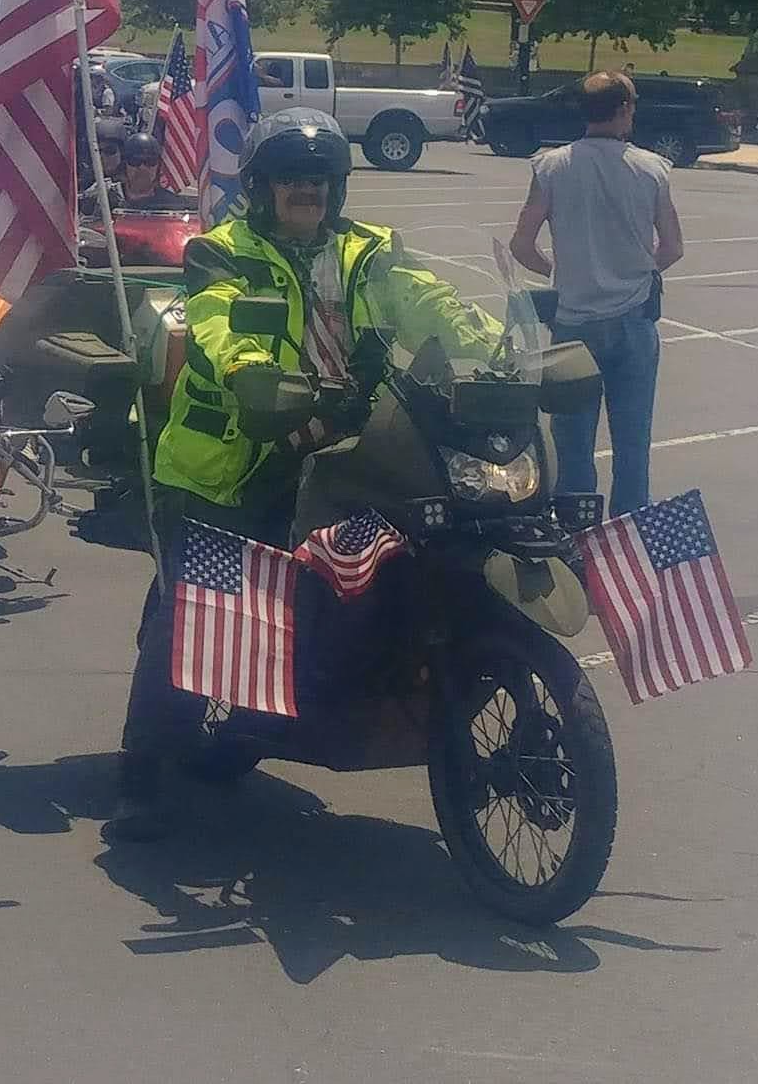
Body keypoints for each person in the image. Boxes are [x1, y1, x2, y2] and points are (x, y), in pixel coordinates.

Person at [106, 107, 500, 841]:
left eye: (319, 177)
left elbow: (428, 302)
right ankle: (142, 771)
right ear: (261, 186)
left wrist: (497, 345)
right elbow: (217, 319)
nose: (306, 188)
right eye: (290, 176)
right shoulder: (222, 251)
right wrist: (249, 369)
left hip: (343, 443)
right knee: (194, 611)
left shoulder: (368, 251)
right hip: (233, 457)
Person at [509, 70, 683, 517]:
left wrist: (561, 272)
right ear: (623, 109)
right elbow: (672, 247)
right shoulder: (652, 169)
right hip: (633, 322)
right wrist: (639, 271)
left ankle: (576, 532)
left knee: (573, 447)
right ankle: (627, 530)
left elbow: (521, 244)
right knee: (632, 443)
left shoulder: (551, 167)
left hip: (573, 326)